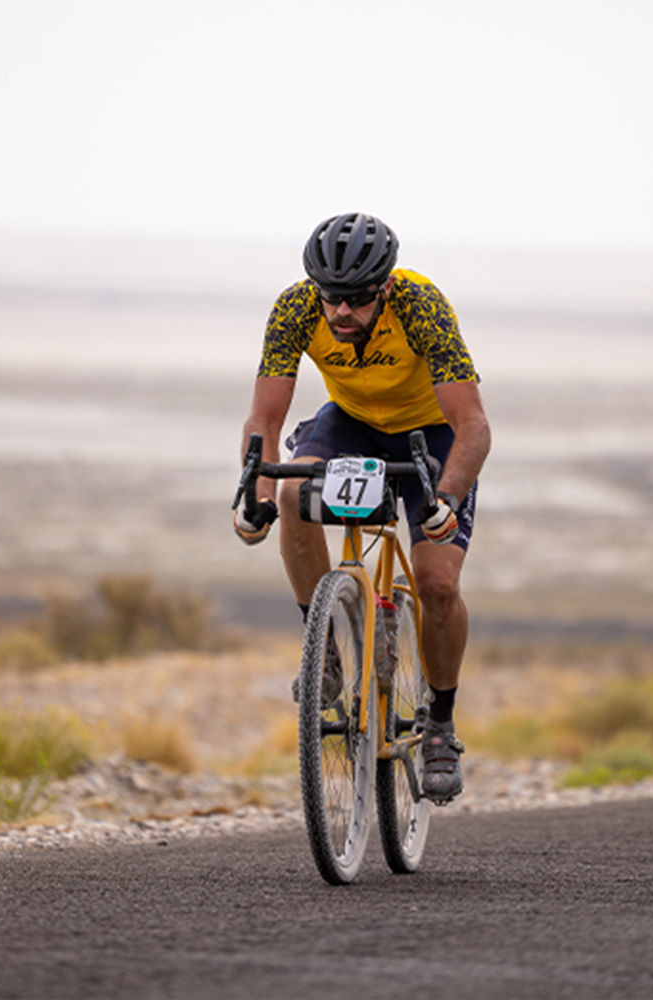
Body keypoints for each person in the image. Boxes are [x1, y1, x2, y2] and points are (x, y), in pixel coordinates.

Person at [234, 212, 490, 803]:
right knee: (296, 490)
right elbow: (266, 418)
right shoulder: (296, 308)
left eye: (355, 300)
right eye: (331, 299)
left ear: (384, 288)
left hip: (432, 435)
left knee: (437, 583)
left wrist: (446, 499)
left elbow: (473, 426)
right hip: (349, 423)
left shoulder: (421, 306)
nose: (340, 312)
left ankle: (442, 726)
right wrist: (258, 496)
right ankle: (322, 647)